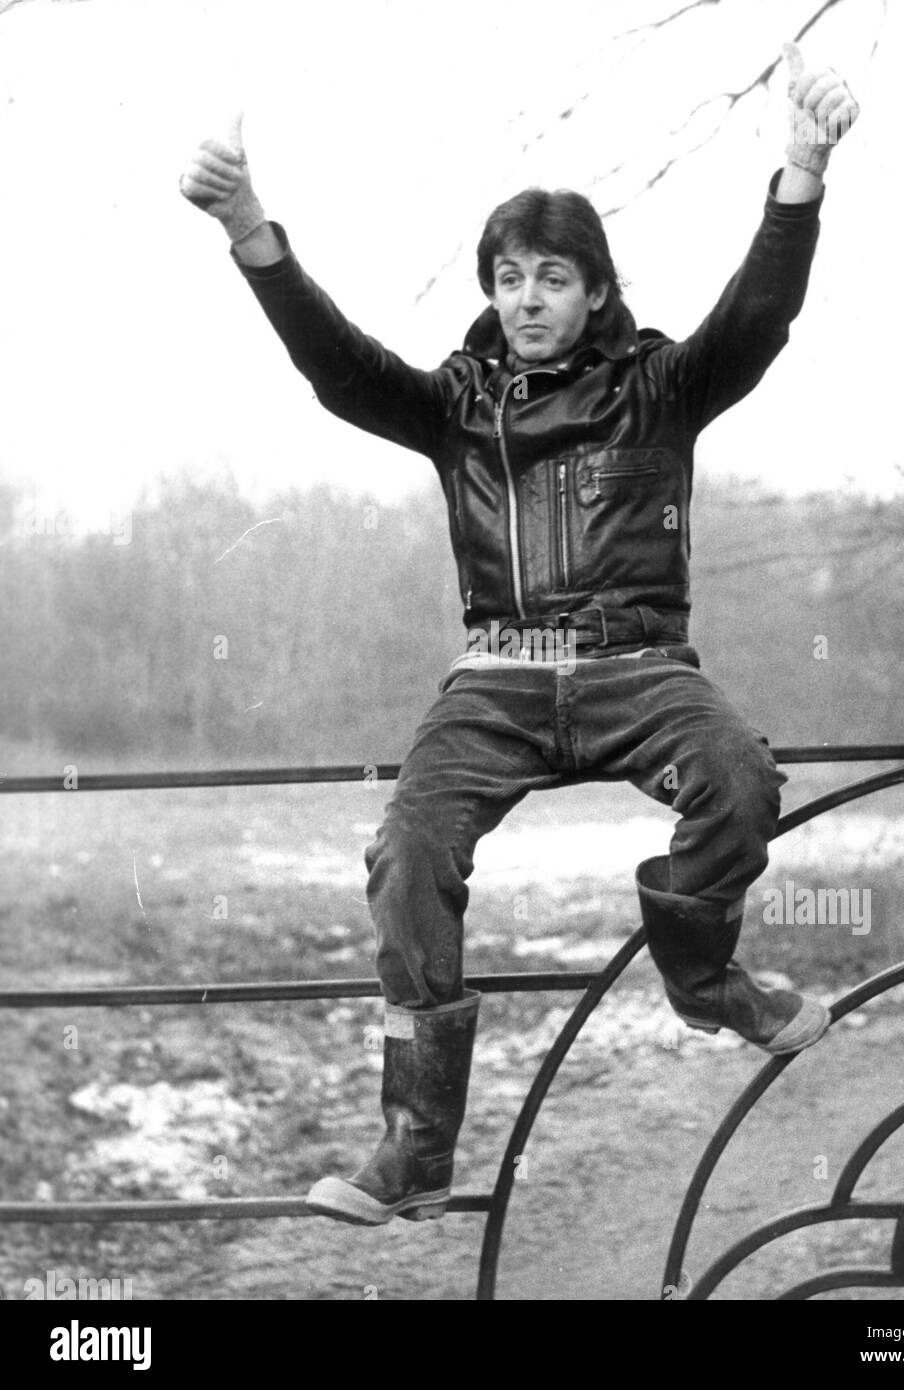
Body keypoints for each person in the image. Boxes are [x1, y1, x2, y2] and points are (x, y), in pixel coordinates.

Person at [179, 42, 860, 1226]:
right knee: (404, 857)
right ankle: (415, 1146)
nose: (527, 299)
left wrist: (798, 172)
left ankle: (704, 983)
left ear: (595, 290)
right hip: (497, 679)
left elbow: (756, 316)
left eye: (553, 276)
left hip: (640, 668)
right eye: (509, 277)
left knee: (741, 780)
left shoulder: (658, 386)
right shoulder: (454, 404)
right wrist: (250, 227)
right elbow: (339, 371)